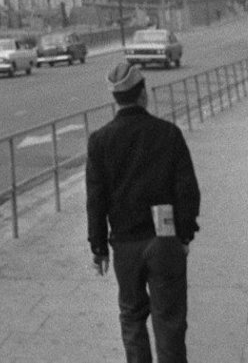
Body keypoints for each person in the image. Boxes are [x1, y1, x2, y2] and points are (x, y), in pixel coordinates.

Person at [86, 60, 200, 363]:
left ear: (116, 99)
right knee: (170, 322)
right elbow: (188, 191)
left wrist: (98, 247)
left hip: (125, 244)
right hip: (165, 240)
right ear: (143, 94)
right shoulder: (168, 134)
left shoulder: (99, 141)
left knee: (132, 319)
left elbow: (96, 199)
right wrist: (184, 235)